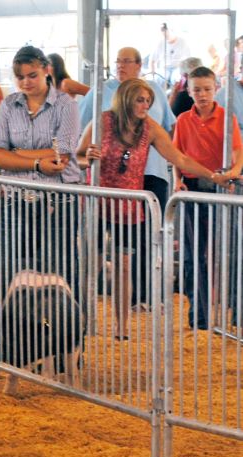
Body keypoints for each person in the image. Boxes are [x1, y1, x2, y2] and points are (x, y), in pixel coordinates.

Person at [78, 77, 234, 336]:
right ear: (127, 100)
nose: (145, 106)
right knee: (89, 262)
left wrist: (213, 175)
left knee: (124, 264)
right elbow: (78, 154)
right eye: (140, 100)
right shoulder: (102, 121)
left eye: (148, 101)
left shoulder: (149, 128)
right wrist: (88, 159)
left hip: (128, 205)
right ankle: (83, 320)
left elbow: (179, 158)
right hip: (96, 200)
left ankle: (121, 325)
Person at [80, 46, 176, 308]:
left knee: (146, 238)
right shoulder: (100, 92)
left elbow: (168, 129)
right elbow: (84, 129)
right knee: (99, 247)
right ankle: (88, 302)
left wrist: (180, 172)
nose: (120, 65)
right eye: (117, 61)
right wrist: (88, 155)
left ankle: (142, 296)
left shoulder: (154, 90)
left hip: (151, 173)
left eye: (126, 61)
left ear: (138, 64)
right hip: (108, 182)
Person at [0, 46, 81, 287]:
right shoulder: (8, 105)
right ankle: (7, 320)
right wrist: (38, 163)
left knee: (59, 264)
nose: (26, 82)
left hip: (58, 199)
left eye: (32, 75)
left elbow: (64, 152)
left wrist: (15, 154)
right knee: (9, 262)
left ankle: (66, 322)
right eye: (20, 77)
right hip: (15, 198)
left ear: (47, 71)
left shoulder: (65, 104)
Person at [173, 67, 243, 330]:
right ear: (188, 91)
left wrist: (233, 174)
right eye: (197, 89)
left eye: (207, 89)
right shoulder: (183, 120)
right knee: (194, 255)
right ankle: (199, 318)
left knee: (231, 251)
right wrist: (177, 180)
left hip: (222, 187)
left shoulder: (227, 118)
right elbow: (177, 156)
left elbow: (238, 150)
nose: (202, 94)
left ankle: (237, 313)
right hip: (192, 187)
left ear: (216, 88)